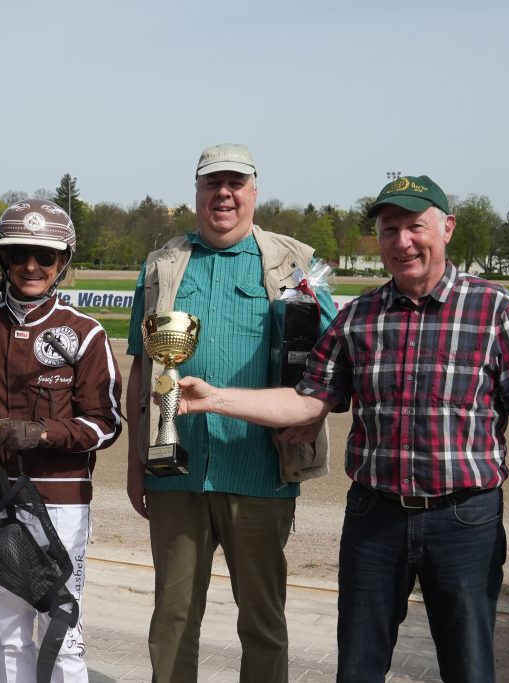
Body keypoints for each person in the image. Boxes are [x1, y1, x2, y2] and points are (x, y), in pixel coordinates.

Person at [176, 175, 509, 683]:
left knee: (469, 667)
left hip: (464, 522)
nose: (403, 242)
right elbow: (307, 400)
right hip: (374, 521)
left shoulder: (494, 309)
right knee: (358, 668)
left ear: (447, 228)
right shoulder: (359, 316)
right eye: (389, 230)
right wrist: (214, 399)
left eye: (415, 227)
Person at [125, 143, 336, 682]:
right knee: (172, 620)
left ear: (254, 192)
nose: (224, 194)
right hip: (174, 468)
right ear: (196, 191)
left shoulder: (296, 264)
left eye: (235, 183)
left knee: (262, 622)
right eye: (212, 183)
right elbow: (140, 373)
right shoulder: (161, 265)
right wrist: (134, 464)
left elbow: (330, 367)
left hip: (260, 471)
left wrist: (310, 419)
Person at [0, 199, 122, 682]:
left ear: (62, 262)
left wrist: (41, 433)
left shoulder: (86, 333)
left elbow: (106, 424)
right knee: (8, 633)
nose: (32, 266)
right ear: (4, 258)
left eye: (45, 256)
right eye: (19, 254)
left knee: (62, 632)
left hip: (60, 501)